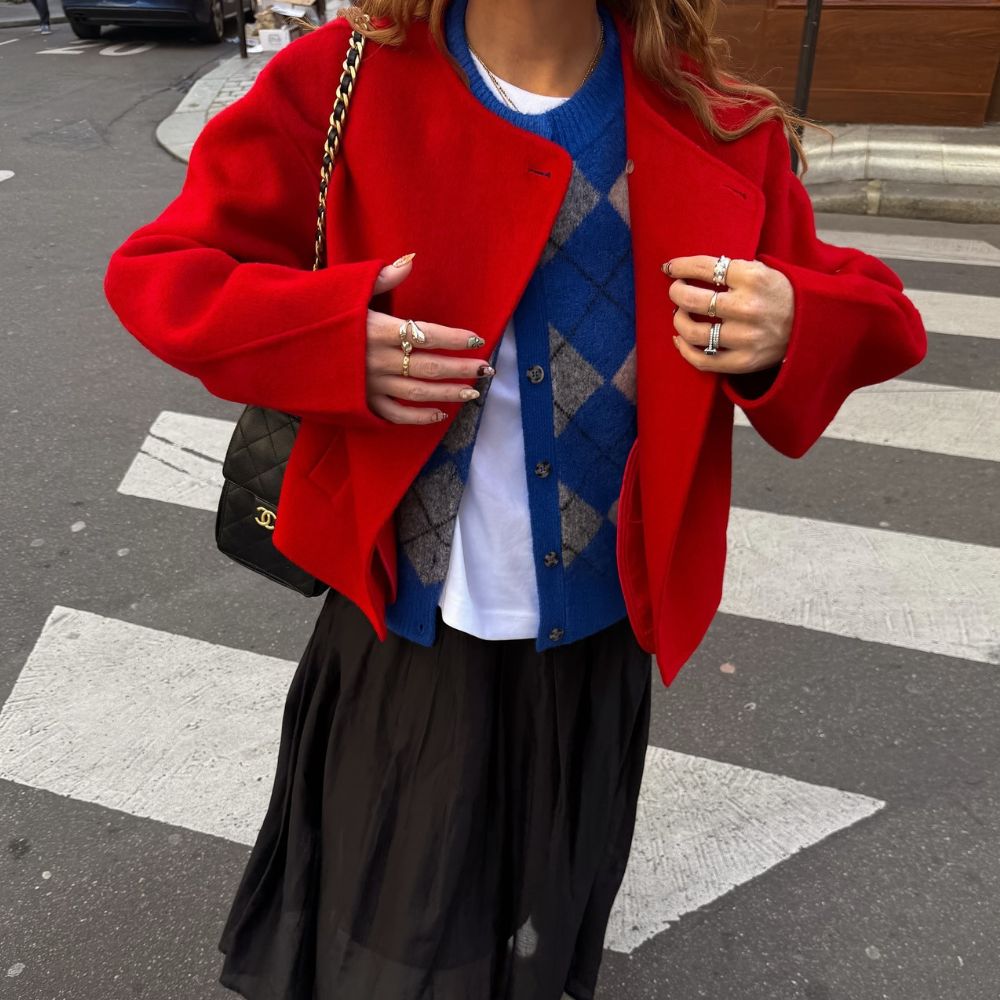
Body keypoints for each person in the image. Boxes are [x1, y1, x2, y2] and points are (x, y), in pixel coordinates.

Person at [102, 0, 927, 996]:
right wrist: (329, 338)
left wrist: (792, 320)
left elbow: (880, 312)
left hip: (596, 640)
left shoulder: (715, 121)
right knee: (391, 957)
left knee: (541, 935)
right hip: (406, 633)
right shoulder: (343, 76)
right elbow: (164, 274)